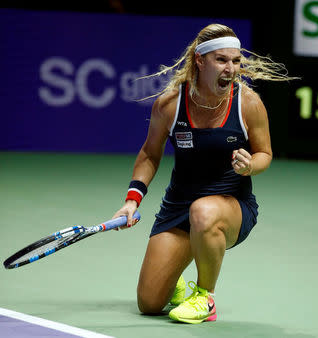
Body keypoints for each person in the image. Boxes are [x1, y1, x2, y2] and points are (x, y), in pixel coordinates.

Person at [112, 23, 297, 324]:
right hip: (178, 207)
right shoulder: (170, 105)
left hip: (230, 208)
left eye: (236, 61)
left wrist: (251, 165)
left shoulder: (248, 104)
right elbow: (149, 154)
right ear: (200, 60)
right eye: (221, 60)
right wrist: (133, 199)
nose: (231, 69)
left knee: (203, 210)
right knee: (149, 303)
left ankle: (204, 296)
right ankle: (179, 281)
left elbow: (265, 154)